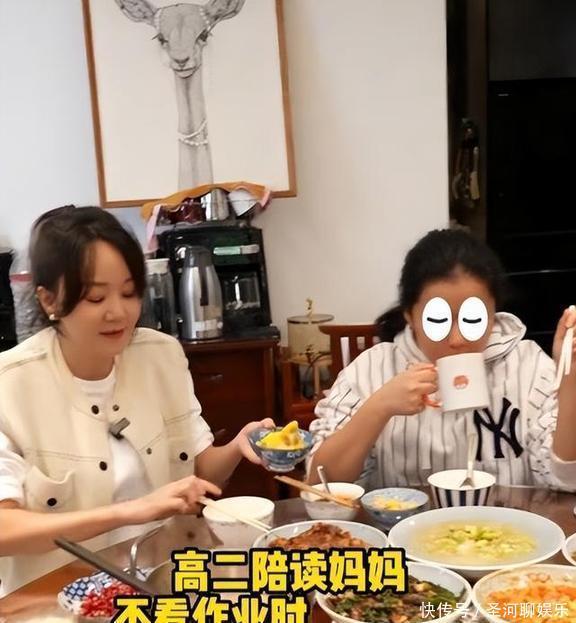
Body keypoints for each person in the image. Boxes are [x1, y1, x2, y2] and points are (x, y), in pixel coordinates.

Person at [0, 206, 273, 594]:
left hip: (160, 584)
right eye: (95, 297)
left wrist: (237, 447)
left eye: (129, 293)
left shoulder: (160, 356)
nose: (119, 312)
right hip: (56, 602)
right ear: (49, 301)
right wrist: (130, 512)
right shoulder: (10, 384)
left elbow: (199, 473)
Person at [308, 229, 576, 490]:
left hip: (508, 520)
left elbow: (566, 479)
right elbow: (321, 484)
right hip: (405, 522)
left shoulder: (528, 365)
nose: (457, 339)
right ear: (409, 315)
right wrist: (379, 407)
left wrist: (571, 379)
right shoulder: (371, 370)